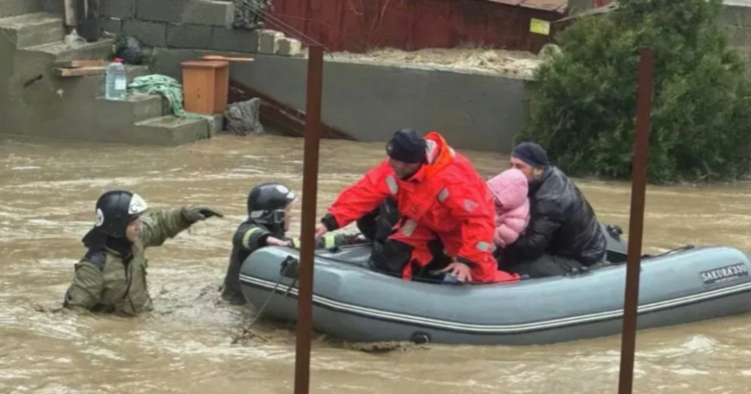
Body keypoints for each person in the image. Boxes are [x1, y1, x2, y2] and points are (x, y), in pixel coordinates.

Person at [314, 129, 518, 284]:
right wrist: (329, 221)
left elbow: (479, 219)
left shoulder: (452, 179)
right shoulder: (396, 166)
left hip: (458, 229)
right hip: (422, 221)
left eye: (397, 162)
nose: (391, 165)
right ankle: (410, 293)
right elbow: (364, 192)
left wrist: (467, 261)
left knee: (480, 276)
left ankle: (514, 285)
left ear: (414, 162)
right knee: (395, 250)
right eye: (391, 159)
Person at [63, 190, 223, 315]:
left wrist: (185, 216)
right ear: (117, 227)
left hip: (142, 315)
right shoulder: (94, 268)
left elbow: (160, 223)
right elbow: (75, 313)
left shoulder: (135, 239)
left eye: (139, 220)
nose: (139, 226)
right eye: (134, 223)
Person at [221, 181, 364, 305]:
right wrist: (267, 239)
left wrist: (349, 239)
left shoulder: (279, 238)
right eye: (287, 210)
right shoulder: (250, 229)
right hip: (236, 302)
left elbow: (307, 244)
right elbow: (243, 235)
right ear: (275, 215)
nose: (291, 214)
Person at [497, 142, 608, 278]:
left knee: (509, 266)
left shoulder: (550, 199)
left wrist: (499, 236)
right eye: (511, 166)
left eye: (519, 167)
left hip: (580, 259)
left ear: (538, 170)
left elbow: (532, 247)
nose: (513, 172)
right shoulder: (542, 178)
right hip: (562, 246)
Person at [486, 168, 531, 251]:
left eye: (496, 198)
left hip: (496, 241)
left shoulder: (518, 214)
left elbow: (508, 235)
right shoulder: (491, 196)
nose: (491, 198)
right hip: (488, 227)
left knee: (482, 247)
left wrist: (491, 231)